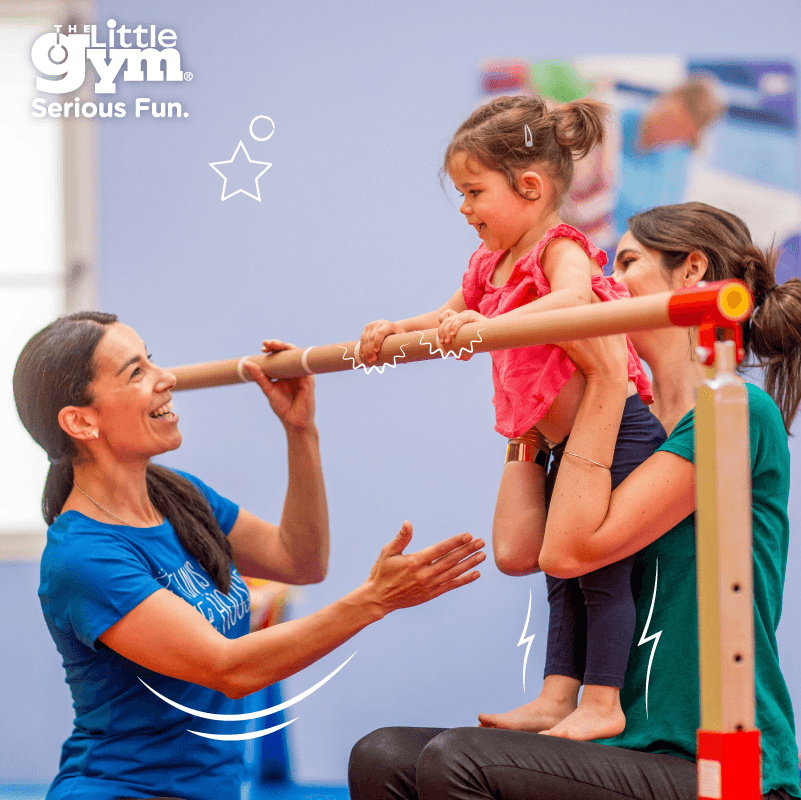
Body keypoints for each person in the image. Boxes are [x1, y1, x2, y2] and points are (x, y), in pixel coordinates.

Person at [349, 201, 801, 800]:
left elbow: (568, 553)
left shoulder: (735, 412)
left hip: (725, 766)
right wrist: (532, 399)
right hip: (622, 749)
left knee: (458, 762)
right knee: (382, 757)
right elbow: (518, 550)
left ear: (691, 270)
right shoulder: (615, 417)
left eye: (626, 263)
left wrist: (608, 379)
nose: (603, 283)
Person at [13, 313, 486, 800]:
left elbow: (299, 560)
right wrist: (373, 599)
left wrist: (300, 431)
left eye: (152, 361)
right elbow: (229, 668)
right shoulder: (84, 556)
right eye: (136, 372)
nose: (166, 378)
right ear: (81, 421)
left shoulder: (179, 496)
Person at [359, 93, 663, 740]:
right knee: (559, 572)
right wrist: (395, 329)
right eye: (461, 195)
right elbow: (444, 317)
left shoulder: (558, 247)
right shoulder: (487, 265)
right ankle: (556, 695)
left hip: (618, 434)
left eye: (474, 193)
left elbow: (573, 300)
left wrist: (489, 324)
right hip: (561, 444)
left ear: (530, 186)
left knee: (599, 573)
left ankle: (602, 702)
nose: (464, 208)